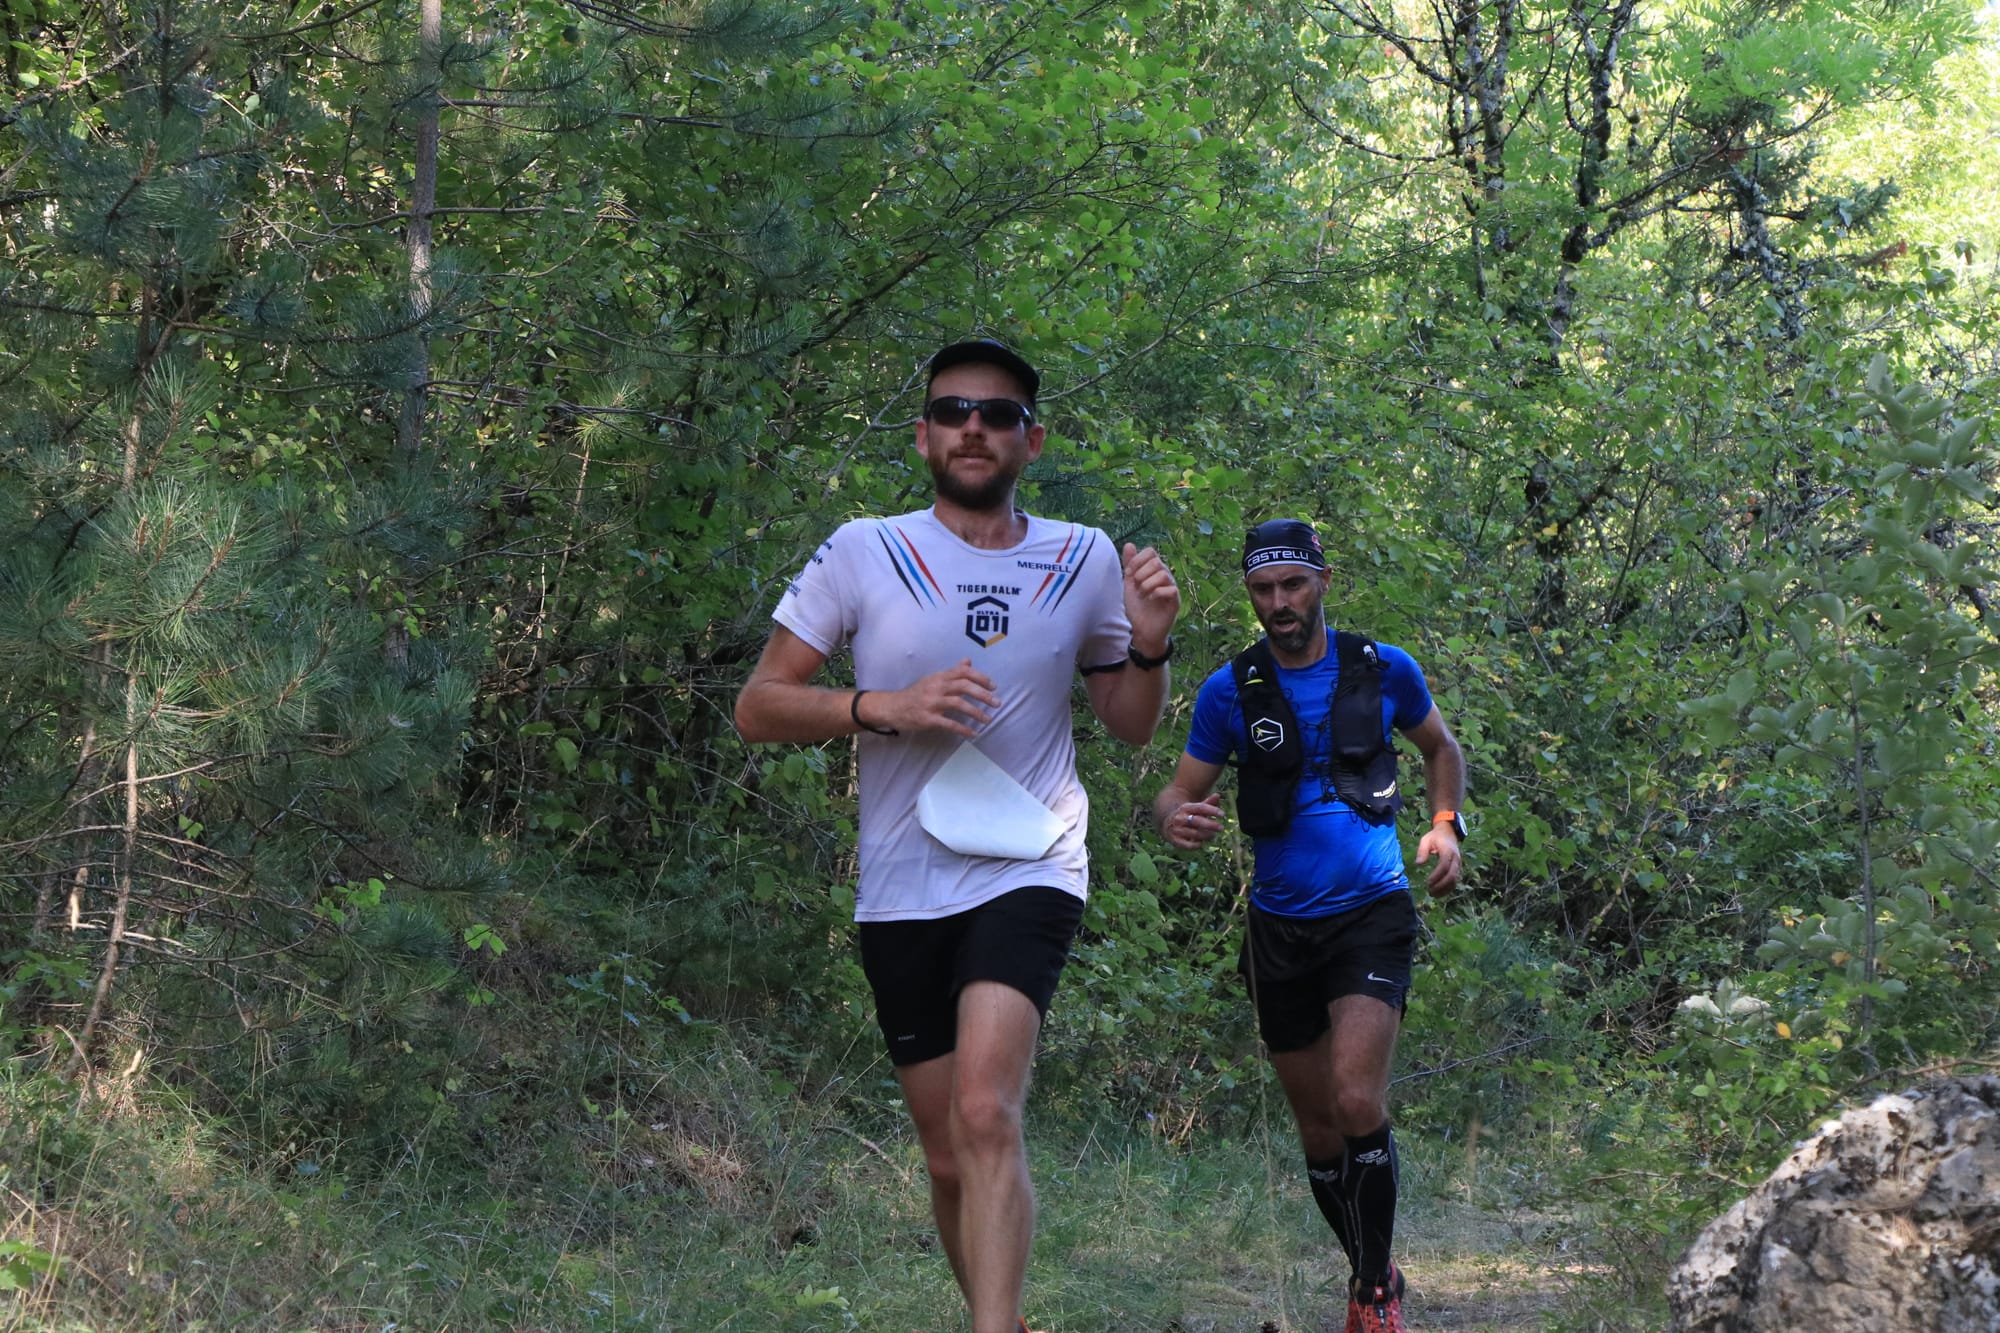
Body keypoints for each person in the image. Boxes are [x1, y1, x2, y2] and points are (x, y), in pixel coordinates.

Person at [734, 339, 1181, 1333]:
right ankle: (1003, 1318)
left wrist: (1150, 638)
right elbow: (758, 706)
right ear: (923, 433)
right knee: (944, 1151)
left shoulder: (1082, 555)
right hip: (900, 878)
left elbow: (1131, 720)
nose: (970, 426)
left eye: (994, 412)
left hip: (1030, 859)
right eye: (950, 410)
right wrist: (881, 706)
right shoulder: (863, 548)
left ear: (1033, 438)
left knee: (985, 1112)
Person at [1150, 518, 1464, 1333]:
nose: (1279, 602)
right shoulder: (1232, 689)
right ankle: (1376, 1267)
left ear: (1324, 578)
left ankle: (1371, 1293)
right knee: (1319, 1127)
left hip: (1371, 911)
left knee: (1357, 1094)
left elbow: (1441, 748)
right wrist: (1176, 819)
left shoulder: (1382, 668)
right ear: (1251, 594)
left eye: (1292, 584)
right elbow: (1173, 792)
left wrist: (1444, 821)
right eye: (1263, 589)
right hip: (1278, 927)